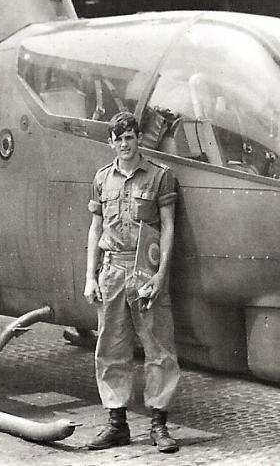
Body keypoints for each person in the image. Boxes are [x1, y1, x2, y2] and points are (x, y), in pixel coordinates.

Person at [84, 111, 181, 453]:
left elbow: (168, 227)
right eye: (117, 139)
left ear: (138, 138)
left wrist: (160, 276)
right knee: (110, 348)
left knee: (159, 350)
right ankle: (117, 425)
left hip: (144, 272)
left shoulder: (159, 177)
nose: (124, 144)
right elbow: (96, 229)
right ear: (110, 143)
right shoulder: (101, 179)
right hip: (111, 272)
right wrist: (89, 277)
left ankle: (159, 425)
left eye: (129, 138)